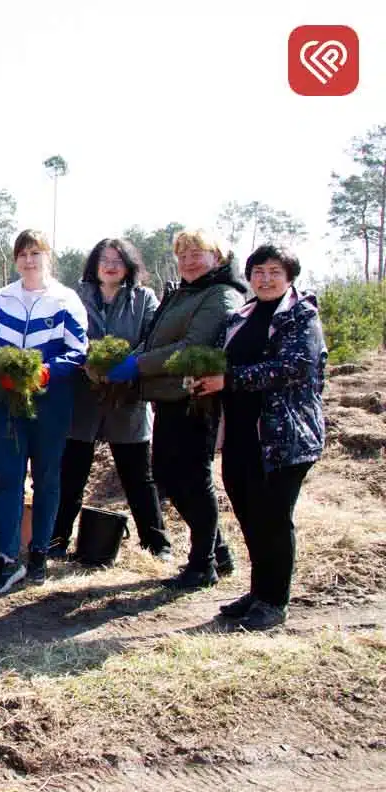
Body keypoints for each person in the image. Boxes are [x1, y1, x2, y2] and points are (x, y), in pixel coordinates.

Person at [193, 245, 326, 630]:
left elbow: (294, 367)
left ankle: (274, 601)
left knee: (273, 518)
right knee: (250, 515)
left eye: (274, 272)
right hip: (240, 433)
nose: (266, 279)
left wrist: (230, 379)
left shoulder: (302, 315)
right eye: (259, 272)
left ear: (289, 276)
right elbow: (220, 358)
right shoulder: (241, 316)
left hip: (283, 437)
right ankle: (258, 591)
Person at [107, 228, 246, 589]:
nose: (188, 261)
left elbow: (191, 347)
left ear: (217, 257)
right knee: (169, 477)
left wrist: (137, 365)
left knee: (193, 481)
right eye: (182, 255)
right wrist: (127, 360)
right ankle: (218, 551)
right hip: (170, 398)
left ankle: (202, 565)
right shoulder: (185, 292)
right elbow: (155, 338)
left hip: (195, 400)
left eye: (197, 254)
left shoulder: (221, 295)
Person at [0, 229, 88, 594]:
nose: (29, 260)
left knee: (47, 478)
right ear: (15, 260)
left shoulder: (66, 299)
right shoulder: (1, 299)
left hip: (50, 400)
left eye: (35, 253)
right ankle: (8, 557)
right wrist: (0, 370)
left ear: (47, 257)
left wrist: (46, 371)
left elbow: (78, 350)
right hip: (7, 400)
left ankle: (39, 552)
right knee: (8, 477)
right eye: (23, 254)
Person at [50, 238, 172, 560]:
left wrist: (129, 365)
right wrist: (87, 361)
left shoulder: (143, 298)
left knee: (138, 476)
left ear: (129, 266)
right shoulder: (76, 296)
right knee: (71, 474)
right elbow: (64, 336)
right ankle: (56, 541)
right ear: (95, 264)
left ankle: (157, 544)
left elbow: (153, 339)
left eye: (118, 260)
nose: (110, 266)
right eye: (104, 259)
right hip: (83, 396)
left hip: (126, 396)